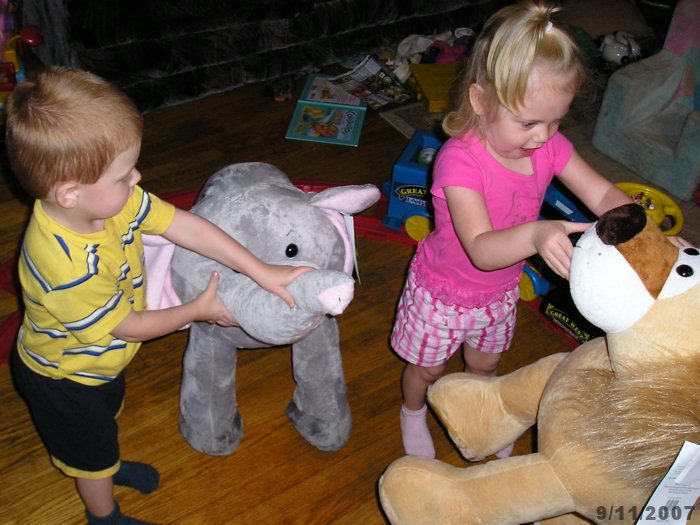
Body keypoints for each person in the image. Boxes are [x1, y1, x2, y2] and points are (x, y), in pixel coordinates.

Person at [5, 66, 312, 525]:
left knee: (103, 426)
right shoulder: (68, 268)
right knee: (89, 453)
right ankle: (104, 514)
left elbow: (183, 225)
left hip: (101, 363)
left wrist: (259, 268)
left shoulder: (110, 202)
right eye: (122, 175)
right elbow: (130, 326)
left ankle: (107, 465)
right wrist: (198, 310)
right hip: (66, 379)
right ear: (69, 194)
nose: (137, 177)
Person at [390, 1, 636, 459]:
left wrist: (640, 227)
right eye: (528, 122)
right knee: (427, 370)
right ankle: (412, 411)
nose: (543, 136)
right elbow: (482, 249)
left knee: (486, 366)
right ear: (480, 100)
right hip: (443, 294)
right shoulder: (459, 161)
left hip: (499, 294)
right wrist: (538, 234)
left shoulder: (548, 146)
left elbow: (602, 192)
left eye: (555, 120)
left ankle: (481, 415)